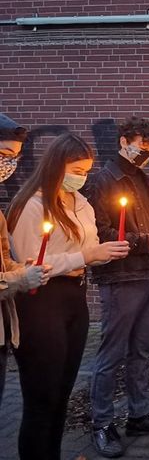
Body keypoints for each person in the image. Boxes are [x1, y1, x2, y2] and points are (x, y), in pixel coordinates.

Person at [7, 133, 130, 460]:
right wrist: (86, 257)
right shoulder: (30, 205)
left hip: (75, 299)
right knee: (41, 399)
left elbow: (85, 248)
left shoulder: (81, 203)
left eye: (87, 170)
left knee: (61, 394)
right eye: (76, 169)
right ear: (55, 166)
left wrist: (103, 253)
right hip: (40, 302)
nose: (82, 177)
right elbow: (28, 263)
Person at [85, 117, 149, 458]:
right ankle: (102, 422)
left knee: (142, 351)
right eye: (141, 148)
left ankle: (138, 414)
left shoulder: (146, 177)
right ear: (125, 140)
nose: (145, 155)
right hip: (121, 277)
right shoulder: (102, 180)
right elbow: (98, 233)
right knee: (111, 354)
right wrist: (146, 240)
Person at [0, 114, 48, 408]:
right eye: (4, 155)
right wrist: (21, 279)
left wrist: (22, 267)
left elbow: (4, 258)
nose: (9, 166)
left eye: (14, 158)